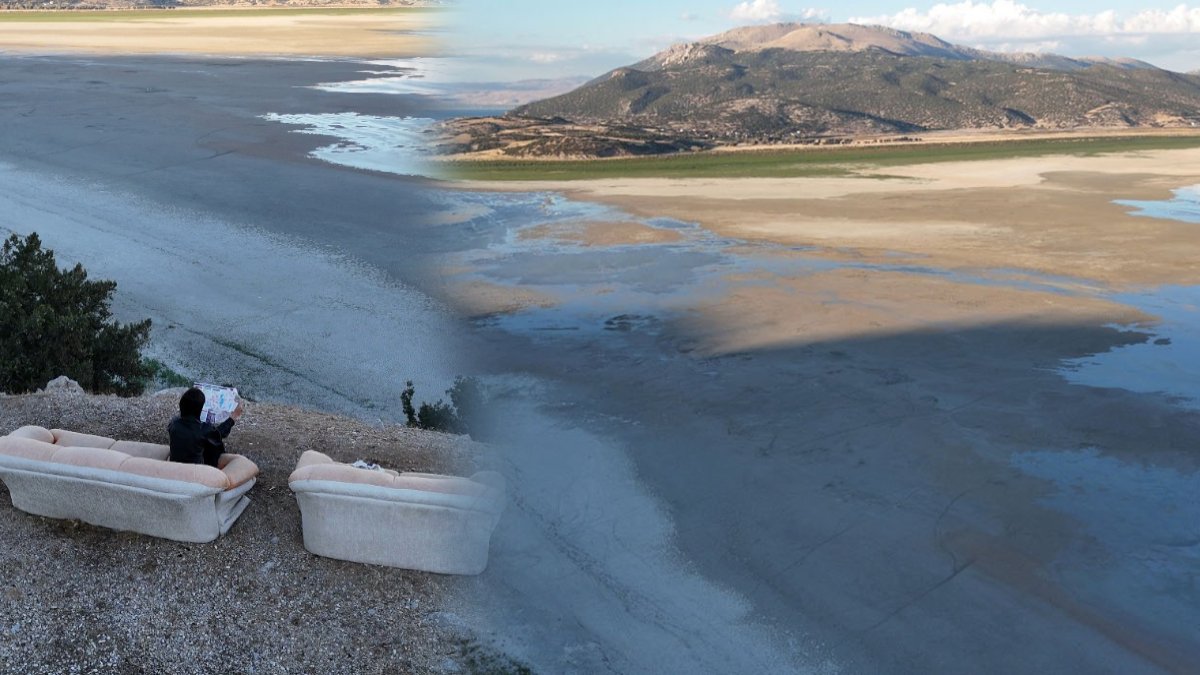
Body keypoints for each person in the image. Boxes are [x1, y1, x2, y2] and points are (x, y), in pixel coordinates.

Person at [168, 387, 245, 467]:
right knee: (215, 446)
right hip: (194, 469)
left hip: (175, 464)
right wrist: (233, 417)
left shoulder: (174, 423)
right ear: (200, 410)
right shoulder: (203, 429)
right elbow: (219, 433)